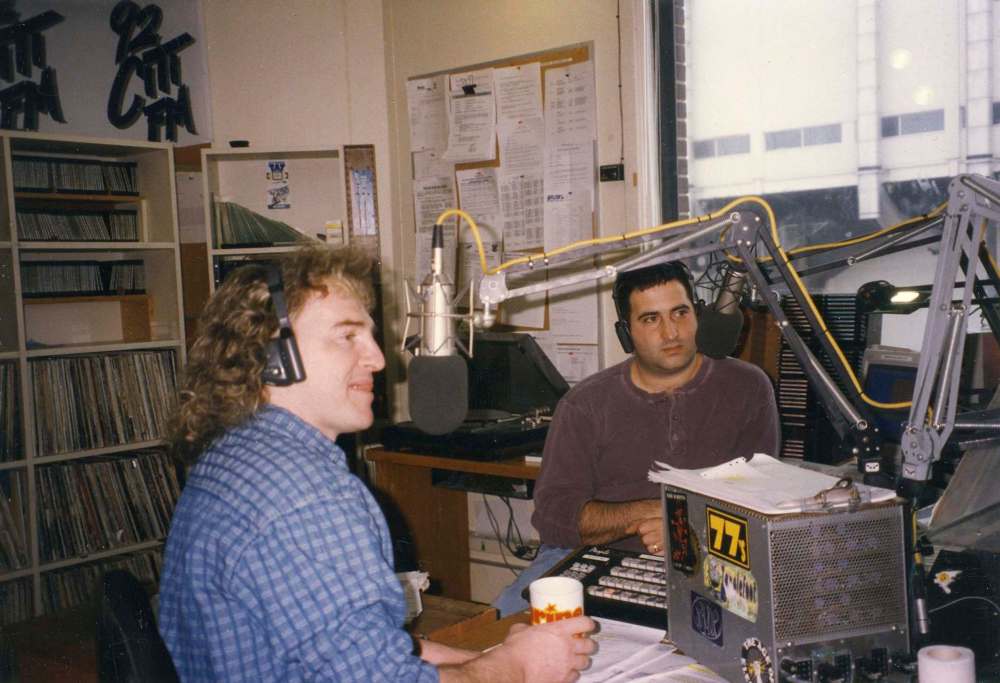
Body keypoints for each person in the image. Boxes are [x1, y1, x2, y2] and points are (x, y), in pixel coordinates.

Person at [158, 244, 595, 682]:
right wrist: (518, 667)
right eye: (347, 336)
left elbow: (348, 650)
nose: (379, 359)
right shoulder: (308, 498)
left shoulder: (235, 455)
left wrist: (484, 660)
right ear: (273, 356)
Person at [495, 261, 780, 616]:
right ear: (626, 334)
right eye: (650, 319)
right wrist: (647, 513)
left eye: (680, 313)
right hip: (591, 555)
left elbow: (763, 497)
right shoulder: (585, 404)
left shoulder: (747, 386)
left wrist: (687, 527)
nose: (671, 332)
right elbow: (554, 519)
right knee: (502, 622)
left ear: (698, 314)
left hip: (713, 553)